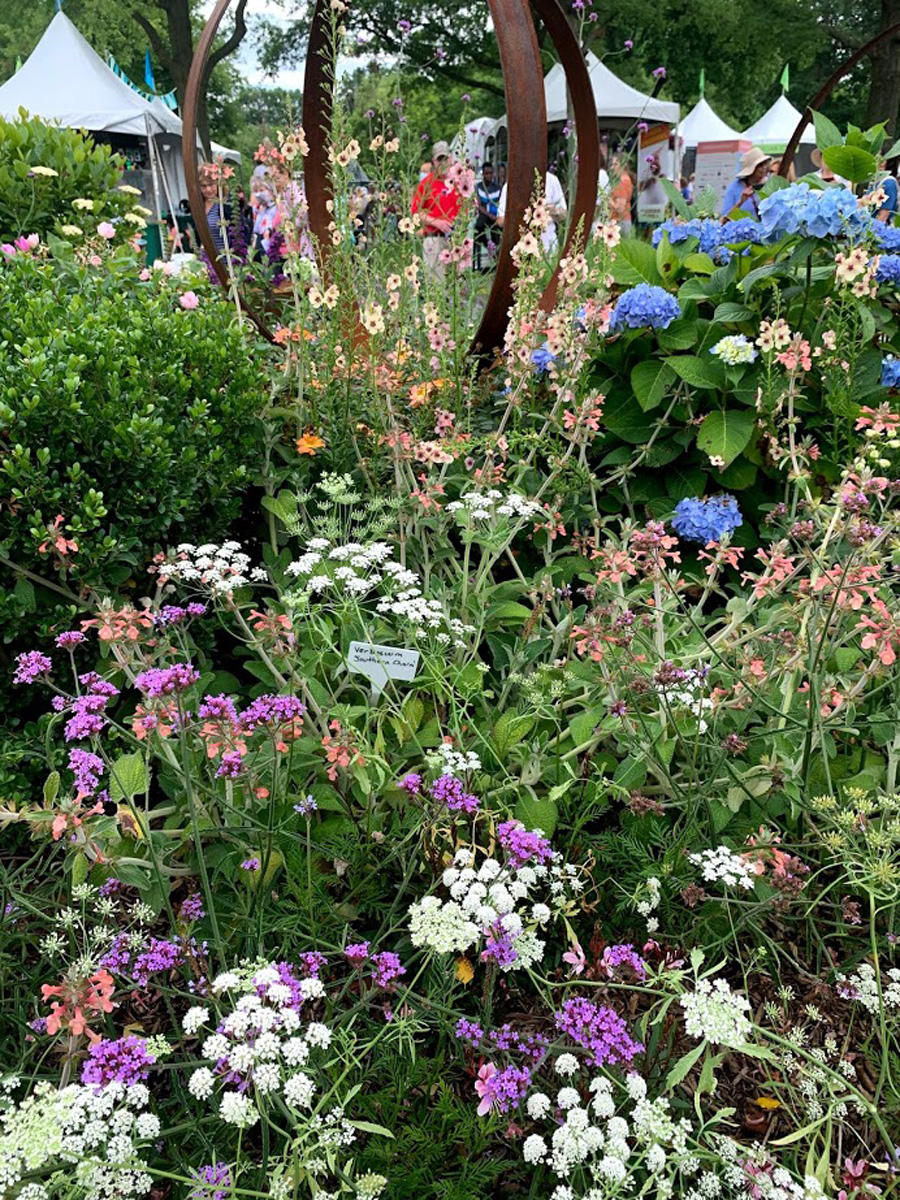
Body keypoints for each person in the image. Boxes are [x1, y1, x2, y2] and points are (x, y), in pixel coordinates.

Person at [411, 139, 461, 278]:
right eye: (440, 160)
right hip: (434, 239)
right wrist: (436, 222)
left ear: (451, 159)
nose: (443, 163)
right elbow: (416, 212)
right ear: (434, 161)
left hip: (456, 238)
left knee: (457, 287)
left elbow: (466, 209)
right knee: (436, 287)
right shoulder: (426, 183)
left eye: (445, 159)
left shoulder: (458, 182)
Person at [496, 169, 567, 254]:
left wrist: (554, 211)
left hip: (548, 248)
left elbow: (564, 215)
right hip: (523, 249)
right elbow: (500, 221)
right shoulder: (512, 183)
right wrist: (520, 213)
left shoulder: (552, 180)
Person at [721, 147, 772, 219]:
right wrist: (740, 202)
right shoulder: (735, 187)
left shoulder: (772, 182)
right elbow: (723, 219)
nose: (764, 167)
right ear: (751, 169)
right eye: (760, 165)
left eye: (765, 163)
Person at [474, 161, 501, 270]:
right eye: (486, 173)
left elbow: (500, 203)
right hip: (485, 216)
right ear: (483, 174)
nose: (488, 175)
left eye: (490, 173)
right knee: (479, 228)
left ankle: (497, 255)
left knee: (497, 231)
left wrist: (495, 216)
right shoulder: (479, 187)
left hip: (495, 216)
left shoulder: (497, 188)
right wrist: (489, 214)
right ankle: (487, 244)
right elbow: (479, 205)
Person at [609, 154, 634, 235]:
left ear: (623, 165)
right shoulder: (626, 179)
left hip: (619, 223)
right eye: (612, 164)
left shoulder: (622, 182)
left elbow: (620, 208)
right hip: (623, 221)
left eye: (615, 164)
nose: (612, 168)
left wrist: (606, 199)